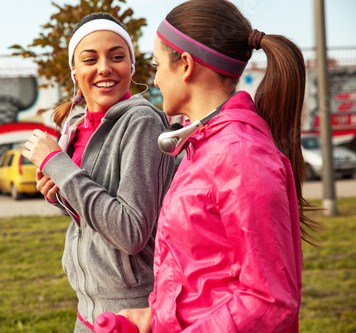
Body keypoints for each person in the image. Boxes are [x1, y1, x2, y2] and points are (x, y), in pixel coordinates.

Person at [119, 0, 319, 332]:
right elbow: (203, 276)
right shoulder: (203, 145)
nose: (154, 80)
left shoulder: (241, 156)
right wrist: (151, 318)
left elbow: (269, 302)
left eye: (156, 65)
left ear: (185, 65)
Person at [22, 12, 174, 332]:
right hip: (87, 312)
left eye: (116, 56)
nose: (104, 67)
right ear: (75, 71)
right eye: (90, 59)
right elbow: (92, 216)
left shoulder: (142, 121)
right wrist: (58, 192)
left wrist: (60, 167)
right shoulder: (75, 128)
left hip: (134, 315)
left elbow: (130, 233)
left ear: (131, 67)